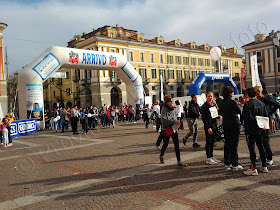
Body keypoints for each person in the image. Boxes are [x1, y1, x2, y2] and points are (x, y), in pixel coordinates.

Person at [242, 87, 269, 176]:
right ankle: (264, 166)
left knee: (252, 149)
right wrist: (263, 125)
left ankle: (253, 168)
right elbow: (266, 115)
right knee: (261, 147)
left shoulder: (247, 104)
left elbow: (247, 117)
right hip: (261, 129)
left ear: (247, 95)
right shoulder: (261, 103)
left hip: (251, 130)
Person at [219, 86, 243, 171]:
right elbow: (239, 111)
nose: (233, 94)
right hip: (234, 123)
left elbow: (221, 112)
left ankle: (227, 163)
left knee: (227, 144)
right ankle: (235, 164)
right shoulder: (232, 102)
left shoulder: (221, 102)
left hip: (226, 123)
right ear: (230, 94)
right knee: (234, 144)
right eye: (232, 92)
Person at [255, 86, 279, 166]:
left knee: (265, 141)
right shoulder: (255, 100)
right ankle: (262, 156)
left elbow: (276, 105)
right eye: (256, 91)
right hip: (257, 122)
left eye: (259, 91)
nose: (257, 93)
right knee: (259, 141)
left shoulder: (264, 99)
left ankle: (269, 158)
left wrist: (270, 113)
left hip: (264, 121)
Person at [159, 94, 186, 167]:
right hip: (167, 129)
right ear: (167, 102)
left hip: (173, 129)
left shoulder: (173, 109)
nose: (172, 102)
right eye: (170, 101)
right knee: (165, 144)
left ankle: (179, 161)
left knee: (176, 145)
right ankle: (161, 155)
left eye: (172, 101)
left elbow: (174, 118)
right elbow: (164, 121)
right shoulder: (164, 109)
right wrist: (174, 122)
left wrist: (177, 122)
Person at [201, 91, 222, 165]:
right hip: (208, 126)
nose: (210, 98)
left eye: (211, 96)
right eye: (209, 96)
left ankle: (211, 156)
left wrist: (219, 116)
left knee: (212, 142)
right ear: (206, 97)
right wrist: (208, 127)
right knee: (208, 141)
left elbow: (215, 114)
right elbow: (204, 119)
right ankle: (208, 157)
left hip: (214, 125)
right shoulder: (204, 106)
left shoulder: (213, 105)